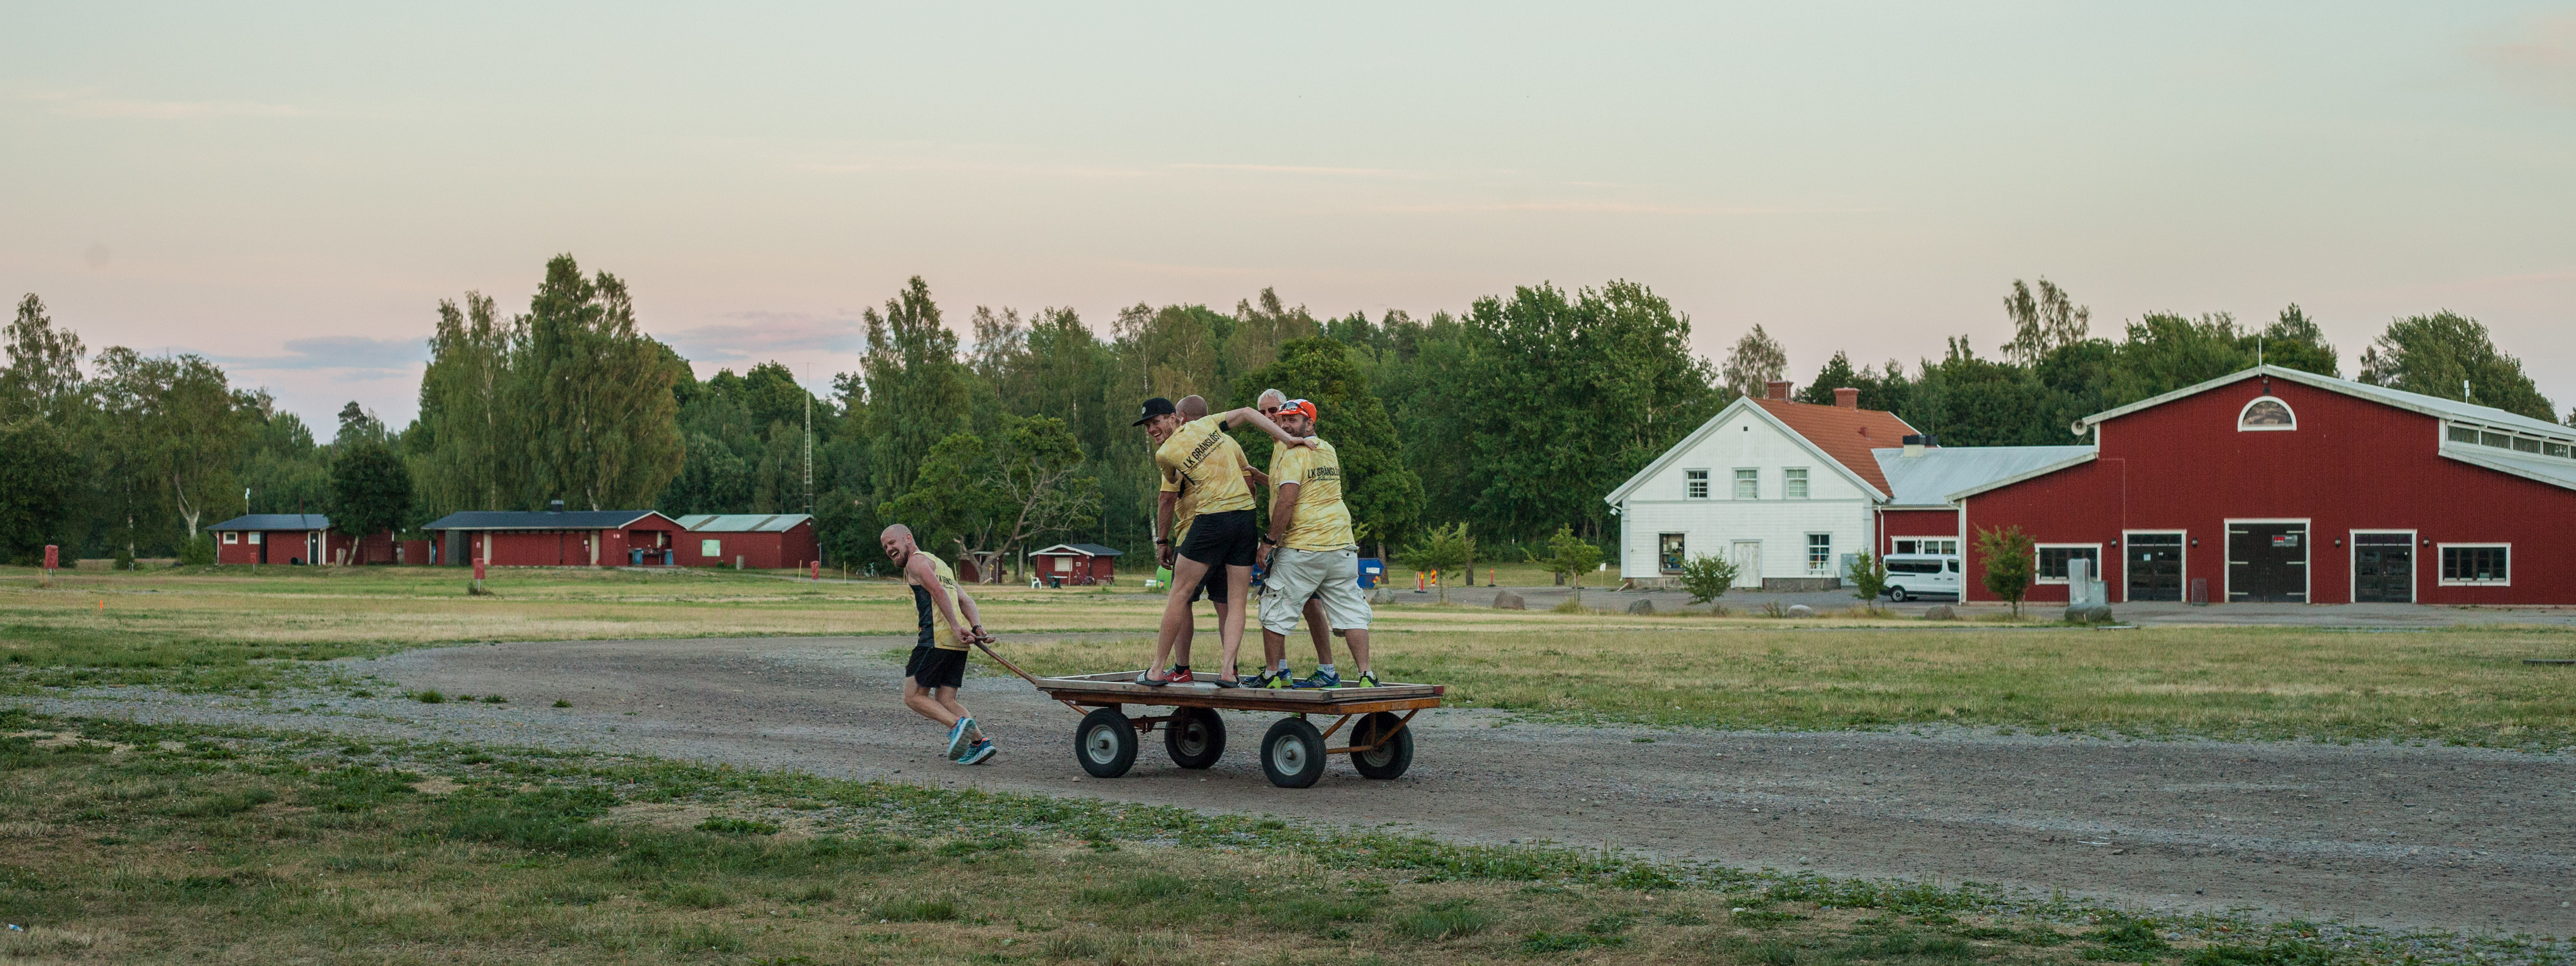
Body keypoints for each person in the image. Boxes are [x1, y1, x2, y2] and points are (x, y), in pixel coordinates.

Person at [1134, 395, 1314, 687]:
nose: (1151, 430)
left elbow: (1168, 491)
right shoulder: (1207, 427)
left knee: (1179, 594)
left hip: (1213, 519)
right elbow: (1244, 413)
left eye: (1155, 422)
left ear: (1174, 417)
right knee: (1235, 603)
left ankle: (1156, 671)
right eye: (1146, 426)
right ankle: (1229, 672)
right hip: (1245, 518)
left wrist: (1287, 441)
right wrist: (1286, 439)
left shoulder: (1166, 453)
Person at [1258, 398, 1376, 688]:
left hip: (1303, 547)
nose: (1286, 425)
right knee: (1351, 612)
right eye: (1284, 420)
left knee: (1275, 608)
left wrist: (1269, 542)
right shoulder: (1328, 450)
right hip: (1341, 546)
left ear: (1310, 423)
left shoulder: (1293, 453)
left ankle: (1274, 674)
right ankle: (1366, 676)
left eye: (1294, 420)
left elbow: (1287, 500)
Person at [882, 523, 998, 764]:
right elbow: (965, 599)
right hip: (957, 644)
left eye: (892, 543)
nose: (889, 549)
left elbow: (937, 592)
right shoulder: (941, 565)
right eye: (885, 547)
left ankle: (959, 726)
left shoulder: (916, 562)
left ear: (908, 538)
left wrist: (957, 626)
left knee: (913, 696)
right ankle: (980, 744)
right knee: (946, 700)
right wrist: (976, 627)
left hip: (935, 640)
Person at [1244, 388, 1335, 688]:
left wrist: (1269, 541)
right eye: (1265, 413)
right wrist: (1256, 475)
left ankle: (1283, 671)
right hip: (1298, 539)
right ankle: (1310, 669)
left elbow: (1290, 497)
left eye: (1275, 411)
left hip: (1297, 539)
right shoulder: (1279, 446)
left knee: (1281, 603)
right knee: (1309, 604)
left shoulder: (1292, 444)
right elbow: (1284, 486)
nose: (1271, 417)